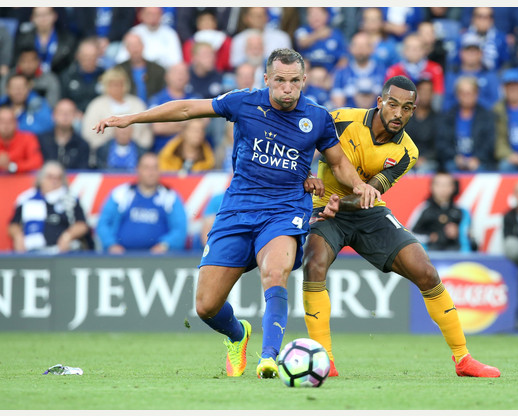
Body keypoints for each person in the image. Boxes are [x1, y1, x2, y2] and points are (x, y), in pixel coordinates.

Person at [92, 48, 379, 379]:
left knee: (275, 273)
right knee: (206, 306)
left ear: (304, 80)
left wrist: (359, 185)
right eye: (280, 81)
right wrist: (133, 117)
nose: (287, 89)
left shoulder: (316, 117)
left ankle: (270, 358)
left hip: (285, 210)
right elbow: (187, 108)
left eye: (294, 82)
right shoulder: (243, 102)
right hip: (238, 209)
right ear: (267, 79)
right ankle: (238, 335)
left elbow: (339, 162)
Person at [303, 75, 500, 378]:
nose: (399, 114)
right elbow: (301, 144)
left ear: (414, 111)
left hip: (365, 211)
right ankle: (325, 360)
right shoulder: (340, 119)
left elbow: (367, 193)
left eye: (407, 108)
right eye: (393, 104)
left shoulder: (408, 151)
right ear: (380, 102)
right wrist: (306, 177)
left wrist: (341, 204)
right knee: (313, 263)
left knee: (426, 271)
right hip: (324, 210)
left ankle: (463, 359)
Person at [96, 152, 187, 253]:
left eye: (155, 168)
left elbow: (180, 228)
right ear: (138, 169)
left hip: (159, 260)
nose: (151, 172)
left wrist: (165, 245)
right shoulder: (121, 194)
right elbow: (103, 223)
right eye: (146, 168)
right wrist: (111, 244)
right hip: (121, 258)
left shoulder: (169, 197)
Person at [8, 161, 90, 253]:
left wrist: (68, 236)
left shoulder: (70, 199)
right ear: (41, 178)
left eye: (58, 178)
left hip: (61, 252)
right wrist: (18, 237)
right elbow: (13, 224)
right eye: (50, 177)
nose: (54, 181)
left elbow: (82, 224)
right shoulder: (26, 198)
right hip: (31, 251)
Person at [81, 67, 152, 153]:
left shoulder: (137, 104)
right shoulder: (96, 105)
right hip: (104, 153)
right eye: (112, 84)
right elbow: (89, 133)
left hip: (136, 152)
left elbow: (146, 132)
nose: (116, 88)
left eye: (120, 84)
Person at [436, 76, 496, 172]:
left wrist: (478, 158)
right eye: (462, 93)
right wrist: (455, 157)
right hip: (454, 161)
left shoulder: (486, 116)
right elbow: (442, 142)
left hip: (479, 162)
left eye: (469, 93)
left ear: (476, 94)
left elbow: (489, 143)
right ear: (457, 95)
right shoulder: (448, 116)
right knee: (448, 169)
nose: (466, 97)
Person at [411, 171, 473, 252]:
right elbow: (411, 235)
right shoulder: (424, 209)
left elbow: (470, 241)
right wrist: (430, 237)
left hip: (456, 256)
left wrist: (458, 233)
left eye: (446, 185)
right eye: (439, 185)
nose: (443, 189)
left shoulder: (461, 211)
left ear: (453, 187)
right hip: (430, 256)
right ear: (431, 187)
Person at [114, 7, 182, 70]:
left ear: (161, 16)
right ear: (141, 15)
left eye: (156, 14)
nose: (153, 17)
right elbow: (121, 59)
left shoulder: (170, 34)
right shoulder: (133, 33)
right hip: (137, 72)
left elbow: (176, 61)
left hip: (164, 74)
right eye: (149, 14)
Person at [330, 32, 384, 109]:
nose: (360, 50)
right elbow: (338, 105)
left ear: (372, 48)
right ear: (350, 48)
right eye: (357, 46)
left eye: (364, 46)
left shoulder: (383, 72)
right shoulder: (341, 73)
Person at [38, 99, 90, 170]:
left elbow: (83, 172)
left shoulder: (82, 145)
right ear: (53, 115)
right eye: (61, 112)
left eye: (69, 112)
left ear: (75, 116)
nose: (65, 116)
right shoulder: (41, 141)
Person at [115, 32, 166, 104]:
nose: (135, 49)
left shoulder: (158, 70)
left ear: (143, 46)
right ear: (126, 48)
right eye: (131, 46)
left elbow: (163, 93)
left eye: (137, 45)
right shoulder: (119, 70)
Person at [59, 38, 106, 114]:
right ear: (78, 56)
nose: (89, 59)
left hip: (100, 116)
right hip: (74, 116)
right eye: (85, 56)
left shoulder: (105, 75)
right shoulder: (67, 76)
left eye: (92, 56)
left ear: (98, 56)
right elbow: (63, 101)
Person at [0, 105, 43, 174]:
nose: (6, 125)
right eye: (2, 122)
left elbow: (37, 162)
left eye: (10, 121)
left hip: (22, 182)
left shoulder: (28, 138)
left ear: (16, 123)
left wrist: (12, 166)